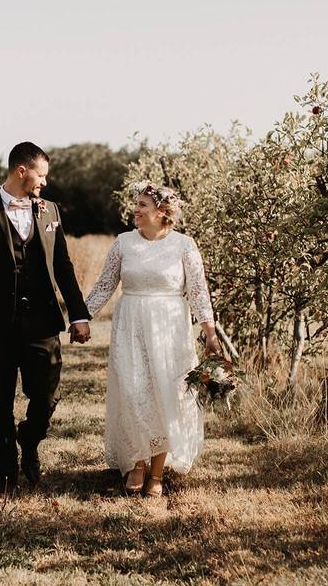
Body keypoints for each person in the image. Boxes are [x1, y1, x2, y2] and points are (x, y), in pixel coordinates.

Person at [0, 141, 91, 502]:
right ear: (22, 171)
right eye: (41, 175)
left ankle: (29, 439)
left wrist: (78, 314)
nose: (44, 183)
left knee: (47, 394)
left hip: (43, 323)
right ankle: (4, 477)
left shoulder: (50, 212)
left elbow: (63, 265)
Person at [84, 181, 219, 497]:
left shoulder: (184, 245)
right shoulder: (123, 243)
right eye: (136, 204)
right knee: (133, 390)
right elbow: (105, 285)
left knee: (165, 393)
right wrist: (81, 317)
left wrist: (209, 331)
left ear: (162, 211)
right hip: (130, 323)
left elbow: (198, 291)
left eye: (142, 204)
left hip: (170, 328)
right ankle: (137, 463)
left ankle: (156, 472)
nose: (136, 209)